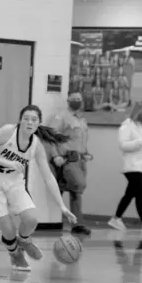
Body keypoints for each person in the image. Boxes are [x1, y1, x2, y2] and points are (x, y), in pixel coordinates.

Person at [0, 104, 77, 271]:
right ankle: (15, 254)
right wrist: (7, 162)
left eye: (34, 119)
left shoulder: (37, 146)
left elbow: (49, 178)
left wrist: (62, 206)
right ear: (20, 121)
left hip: (14, 181)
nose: (29, 122)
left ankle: (24, 240)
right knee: (8, 229)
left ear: (38, 124)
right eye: (26, 118)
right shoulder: (7, 132)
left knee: (31, 219)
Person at [108, 101, 142, 233]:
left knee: (130, 194)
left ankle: (116, 218)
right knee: (140, 192)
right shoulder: (127, 125)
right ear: (137, 112)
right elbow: (123, 145)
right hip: (131, 166)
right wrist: (141, 142)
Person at [48, 92, 92, 235]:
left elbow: (81, 139)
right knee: (77, 186)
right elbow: (50, 136)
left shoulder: (81, 119)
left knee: (78, 190)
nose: (77, 102)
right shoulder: (62, 117)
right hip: (67, 159)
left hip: (80, 159)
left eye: (79, 99)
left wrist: (85, 153)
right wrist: (55, 156)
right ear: (68, 101)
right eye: (74, 99)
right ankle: (58, 219)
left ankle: (76, 223)